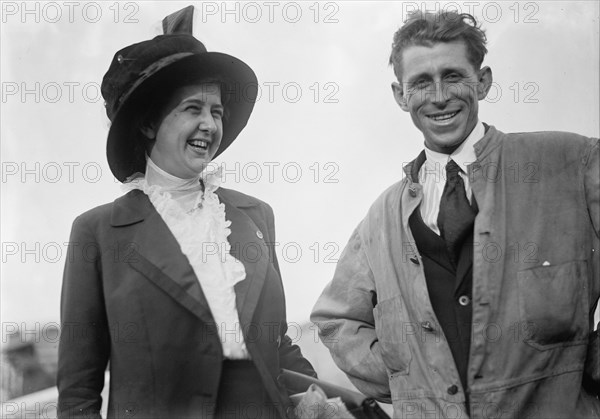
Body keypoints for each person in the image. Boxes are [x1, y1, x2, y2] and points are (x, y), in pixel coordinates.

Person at [311, 10, 599, 418]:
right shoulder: (383, 216)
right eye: (421, 83)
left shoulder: (572, 162)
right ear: (400, 95)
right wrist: (406, 376)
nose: (440, 96)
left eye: (454, 76)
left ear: (482, 81)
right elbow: (335, 320)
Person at [57, 6, 315, 419]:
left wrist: (321, 403)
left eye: (216, 111)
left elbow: (275, 341)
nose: (210, 125)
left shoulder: (255, 215)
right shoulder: (98, 231)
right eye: (192, 109)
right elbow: (78, 388)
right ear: (148, 124)